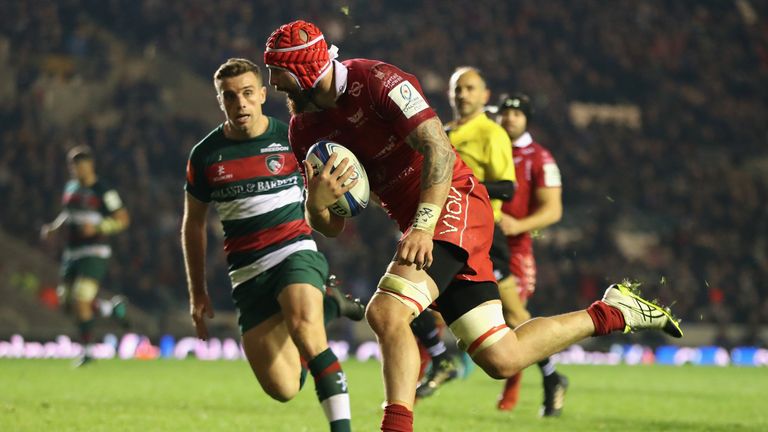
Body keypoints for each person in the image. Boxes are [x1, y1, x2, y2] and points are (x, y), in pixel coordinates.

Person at [264, 20, 682, 432]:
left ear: (304, 70)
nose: (273, 86)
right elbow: (332, 226)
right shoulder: (304, 129)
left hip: (454, 200)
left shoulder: (377, 80)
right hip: (421, 220)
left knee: (387, 312)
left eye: (277, 74)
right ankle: (614, 311)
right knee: (501, 357)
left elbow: (439, 150)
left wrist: (425, 226)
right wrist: (315, 206)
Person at [181, 58, 364, 432]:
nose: (241, 103)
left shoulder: (294, 139)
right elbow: (194, 224)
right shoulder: (205, 155)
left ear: (263, 95)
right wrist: (197, 292)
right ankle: (331, 306)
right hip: (247, 275)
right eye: (230, 97)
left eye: (248, 94)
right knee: (283, 388)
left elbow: (331, 201)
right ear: (220, 102)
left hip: (294, 252)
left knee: (306, 333)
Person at [412, 66, 518, 400]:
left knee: (514, 315)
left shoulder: (491, 133)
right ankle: (441, 361)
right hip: (445, 231)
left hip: (482, 235)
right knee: (409, 303)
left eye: (470, 88)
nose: (463, 95)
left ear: (485, 95)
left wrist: (462, 185)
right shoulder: (441, 132)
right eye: (458, 88)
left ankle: (550, 374)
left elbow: (508, 187)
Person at [495, 93, 568, 415]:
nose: (510, 118)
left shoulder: (540, 158)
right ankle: (550, 378)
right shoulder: (491, 148)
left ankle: (539, 384)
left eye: (517, 113)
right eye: (506, 112)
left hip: (515, 252)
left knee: (513, 322)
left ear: (527, 119)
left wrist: (519, 224)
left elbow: (553, 211)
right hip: (482, 244)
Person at [40, 145, 130, 367]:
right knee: (67, 303)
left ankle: (88, 351)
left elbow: (122, 219)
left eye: (81, 165)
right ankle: (111, 308)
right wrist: (54, 227)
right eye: (73, 166)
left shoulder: (103, 190)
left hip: (94, 251)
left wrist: (99, 228)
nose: (77, 170)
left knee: (81, 299)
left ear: (90, 166)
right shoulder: (70, 188)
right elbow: (68, 213)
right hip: (72, 252)